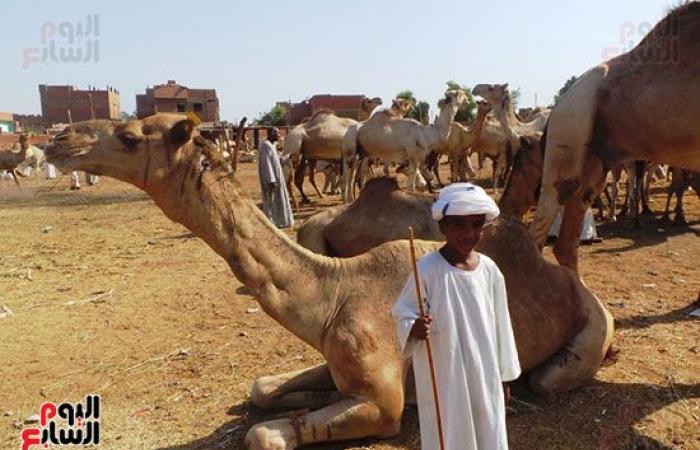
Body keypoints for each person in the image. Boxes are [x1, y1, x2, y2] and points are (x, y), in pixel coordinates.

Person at [392, 183, 521, 450]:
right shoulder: (427, 270)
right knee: (449, 428)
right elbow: (403, 311)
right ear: (443, 227)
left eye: (476, 225)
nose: (469, 233)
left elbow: (502, 324)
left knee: (488, 425)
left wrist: (504, 376)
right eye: (459, 225)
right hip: (444, 371)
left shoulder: (490, 270)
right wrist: (412, 327)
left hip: (485, 369)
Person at [257, 127, 294, 228]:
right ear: (272, 134)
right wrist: (271, 180)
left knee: (280, 200)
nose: (279, 136)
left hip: (278, 177)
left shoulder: (272, 146)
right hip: (271, 179)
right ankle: (274, 222)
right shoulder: (265, 146)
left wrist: (288, 157)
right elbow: (266, 164)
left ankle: (282, 221)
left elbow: (279, 160)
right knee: (273, 202)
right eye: (277, 134)